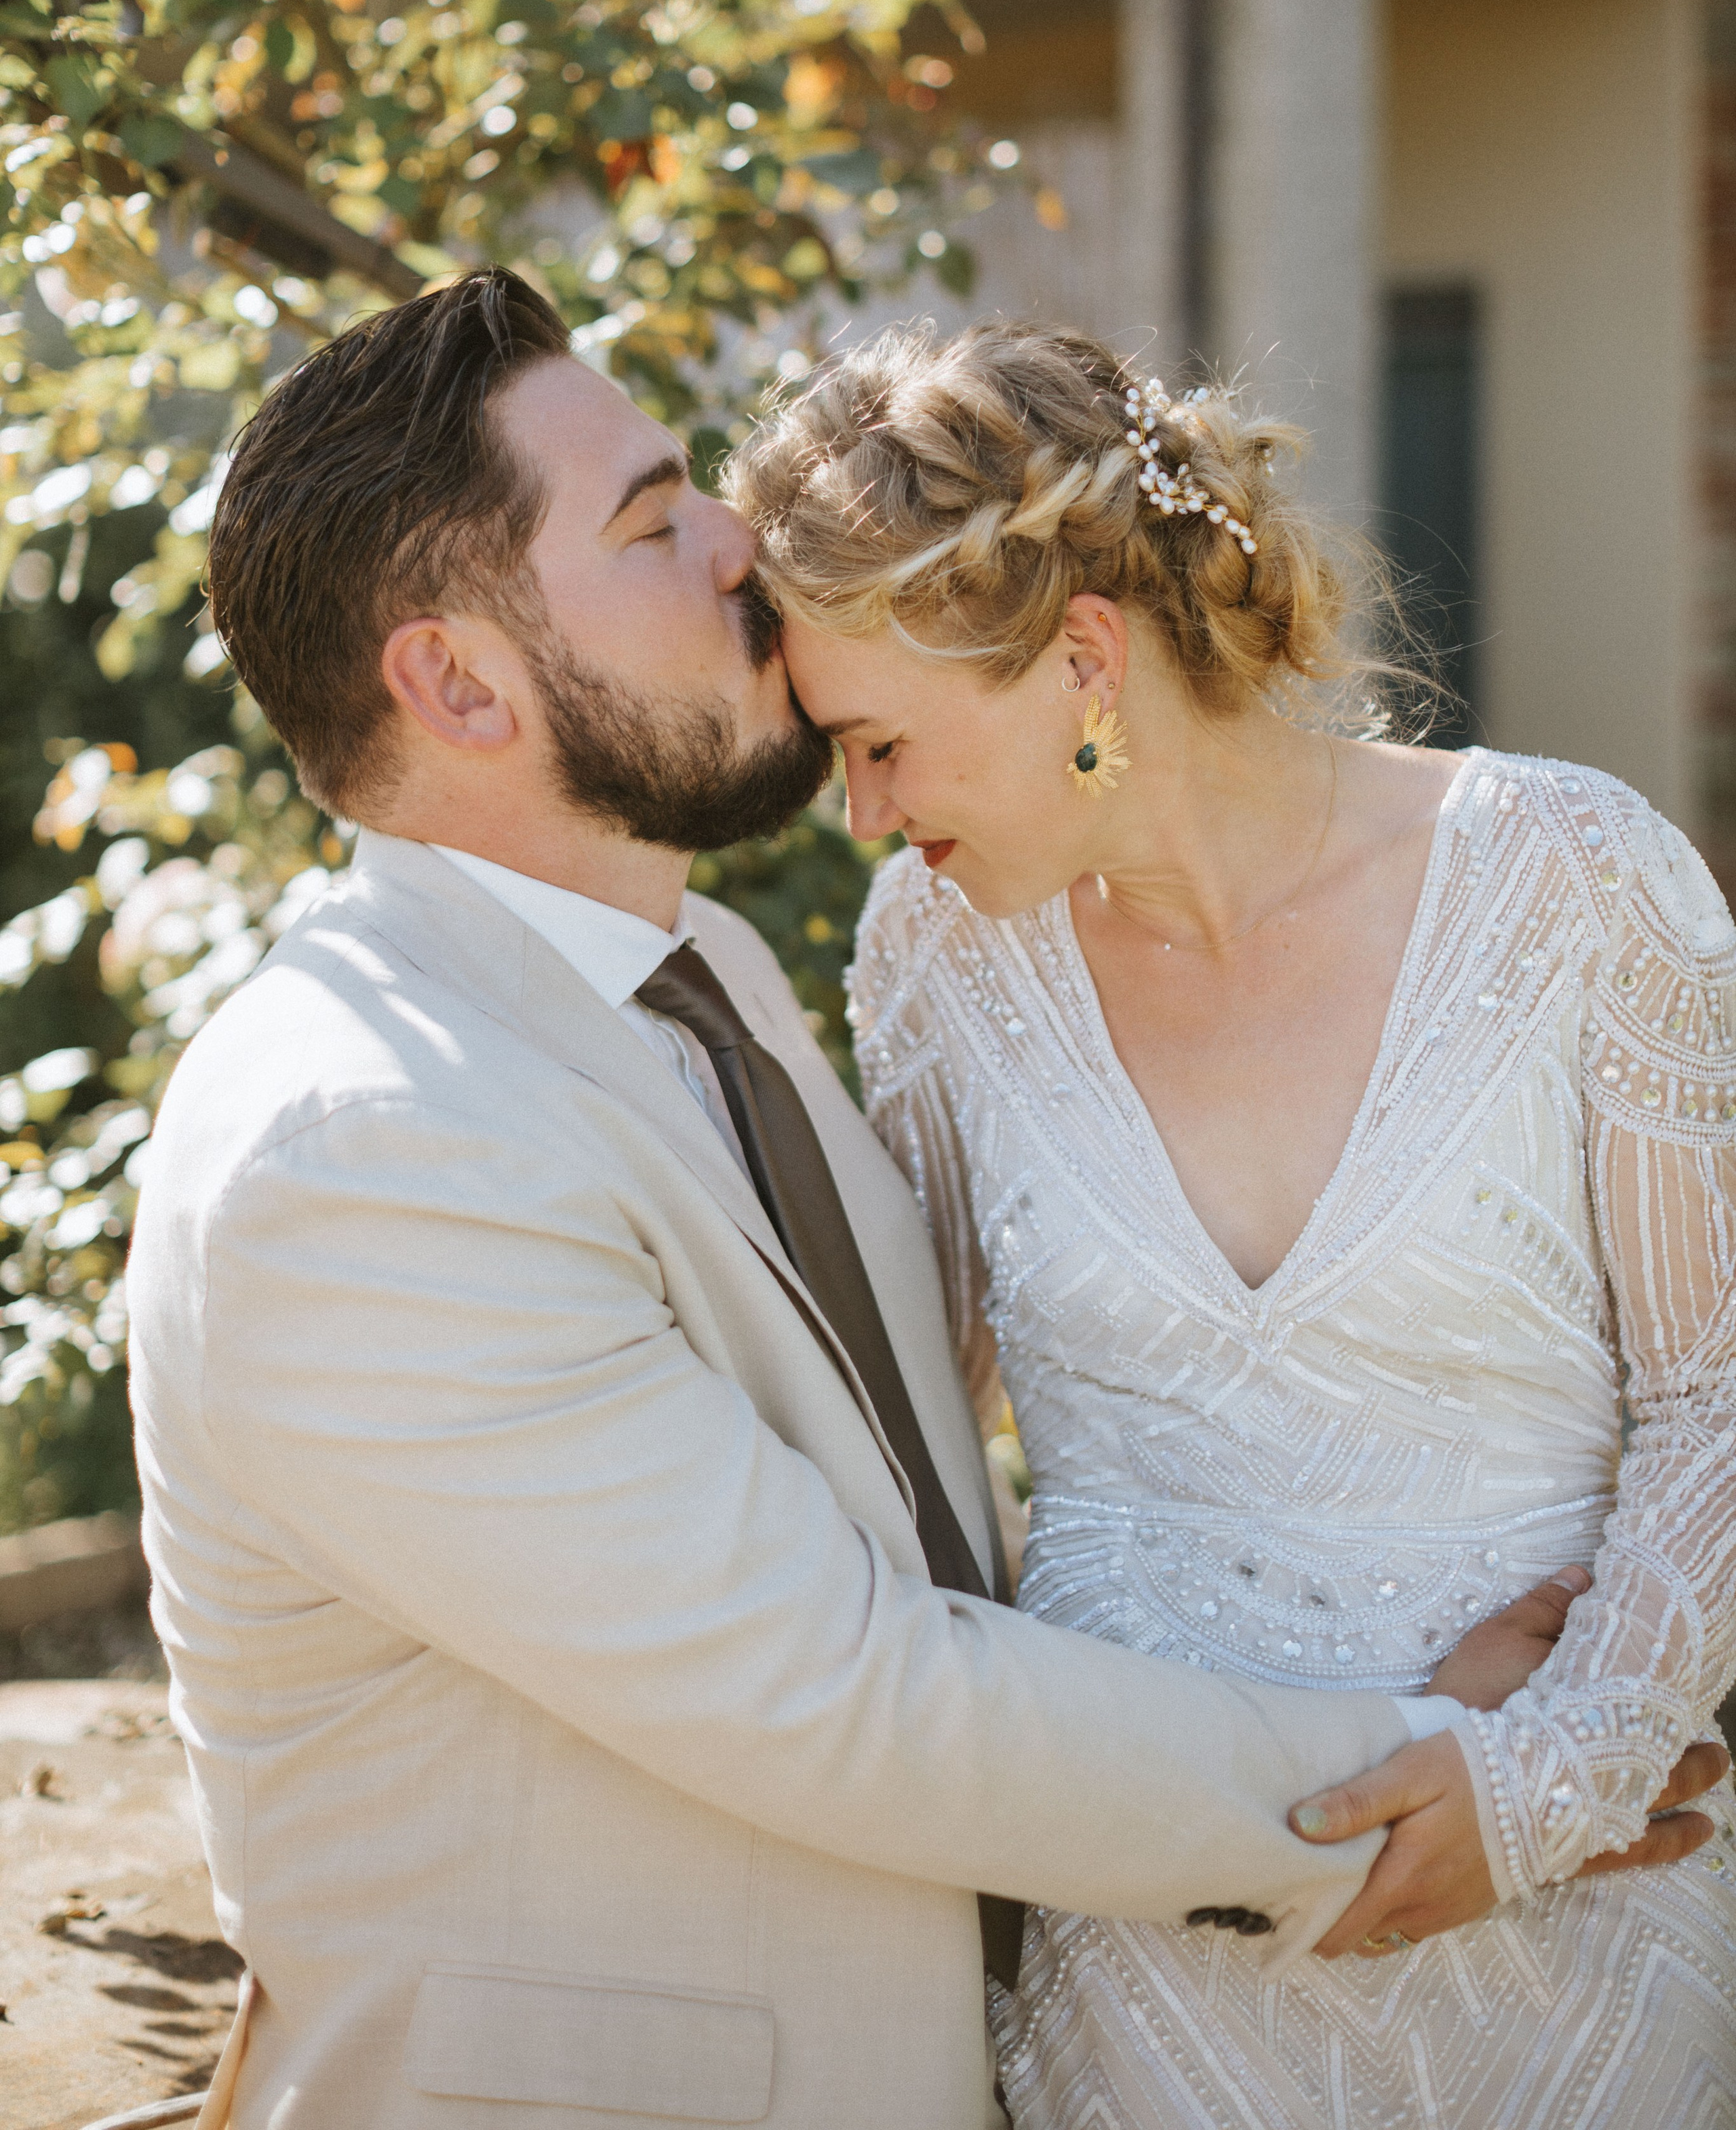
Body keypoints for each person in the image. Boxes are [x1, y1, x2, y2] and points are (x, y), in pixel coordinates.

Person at [128, 275, 1711, 2130]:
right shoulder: (366, 1144)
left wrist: (1579, 1731)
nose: (738, 546)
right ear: (460, 680)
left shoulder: (696, 980)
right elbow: (853, 1685)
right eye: (654, 521)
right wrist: (1453, 1770)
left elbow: (911, 1471)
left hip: (1504, 1969)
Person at [730, 317, 1736, 2130]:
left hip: (1594, 1943)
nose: (867, 813)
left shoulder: (1581, 880)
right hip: (1150, 1971)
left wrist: (1557, 1774)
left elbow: (1717, 1393)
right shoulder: (936, 962)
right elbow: (904, 1465)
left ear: (1084, 661)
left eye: (879, 744)